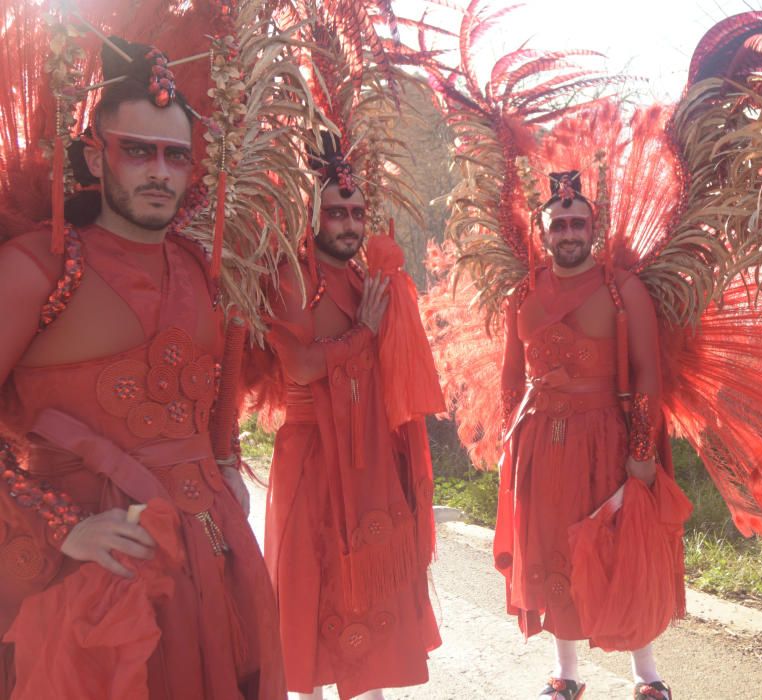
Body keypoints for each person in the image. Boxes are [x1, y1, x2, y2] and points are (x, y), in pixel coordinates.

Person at [0, 39, 285, 699]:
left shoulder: (198, 269)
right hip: (94, 590)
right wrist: (53, 526)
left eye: (175, 154)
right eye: (138, 149)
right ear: (96, 154)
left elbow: (209, 399)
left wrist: (222, 464)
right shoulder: (39, 268)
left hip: (212, 569)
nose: (159, 170)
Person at [258, 135, 441, 700]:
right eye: (336, 212)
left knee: (366, 591)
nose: (349, 224)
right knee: (310, 587)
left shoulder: (366, 282)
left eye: (358, 213)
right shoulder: (292, 277)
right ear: (313, 215)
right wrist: (362, 330)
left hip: (369, 460)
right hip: (310, 458)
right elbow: (303, 364)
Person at [495, 172, 689, 700]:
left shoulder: (622, 289)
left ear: (593, 228)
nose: (568, 231)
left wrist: (642, 451)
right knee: (550, 552)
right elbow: (512, 375)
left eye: (578, 222)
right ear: (545, 232)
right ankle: (566, 675)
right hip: (538, 443)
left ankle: (647, 677)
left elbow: (648, 372)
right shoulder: (523, 293)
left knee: (613, 551)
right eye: (558, 223)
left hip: (605, 438)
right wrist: (511, 440)